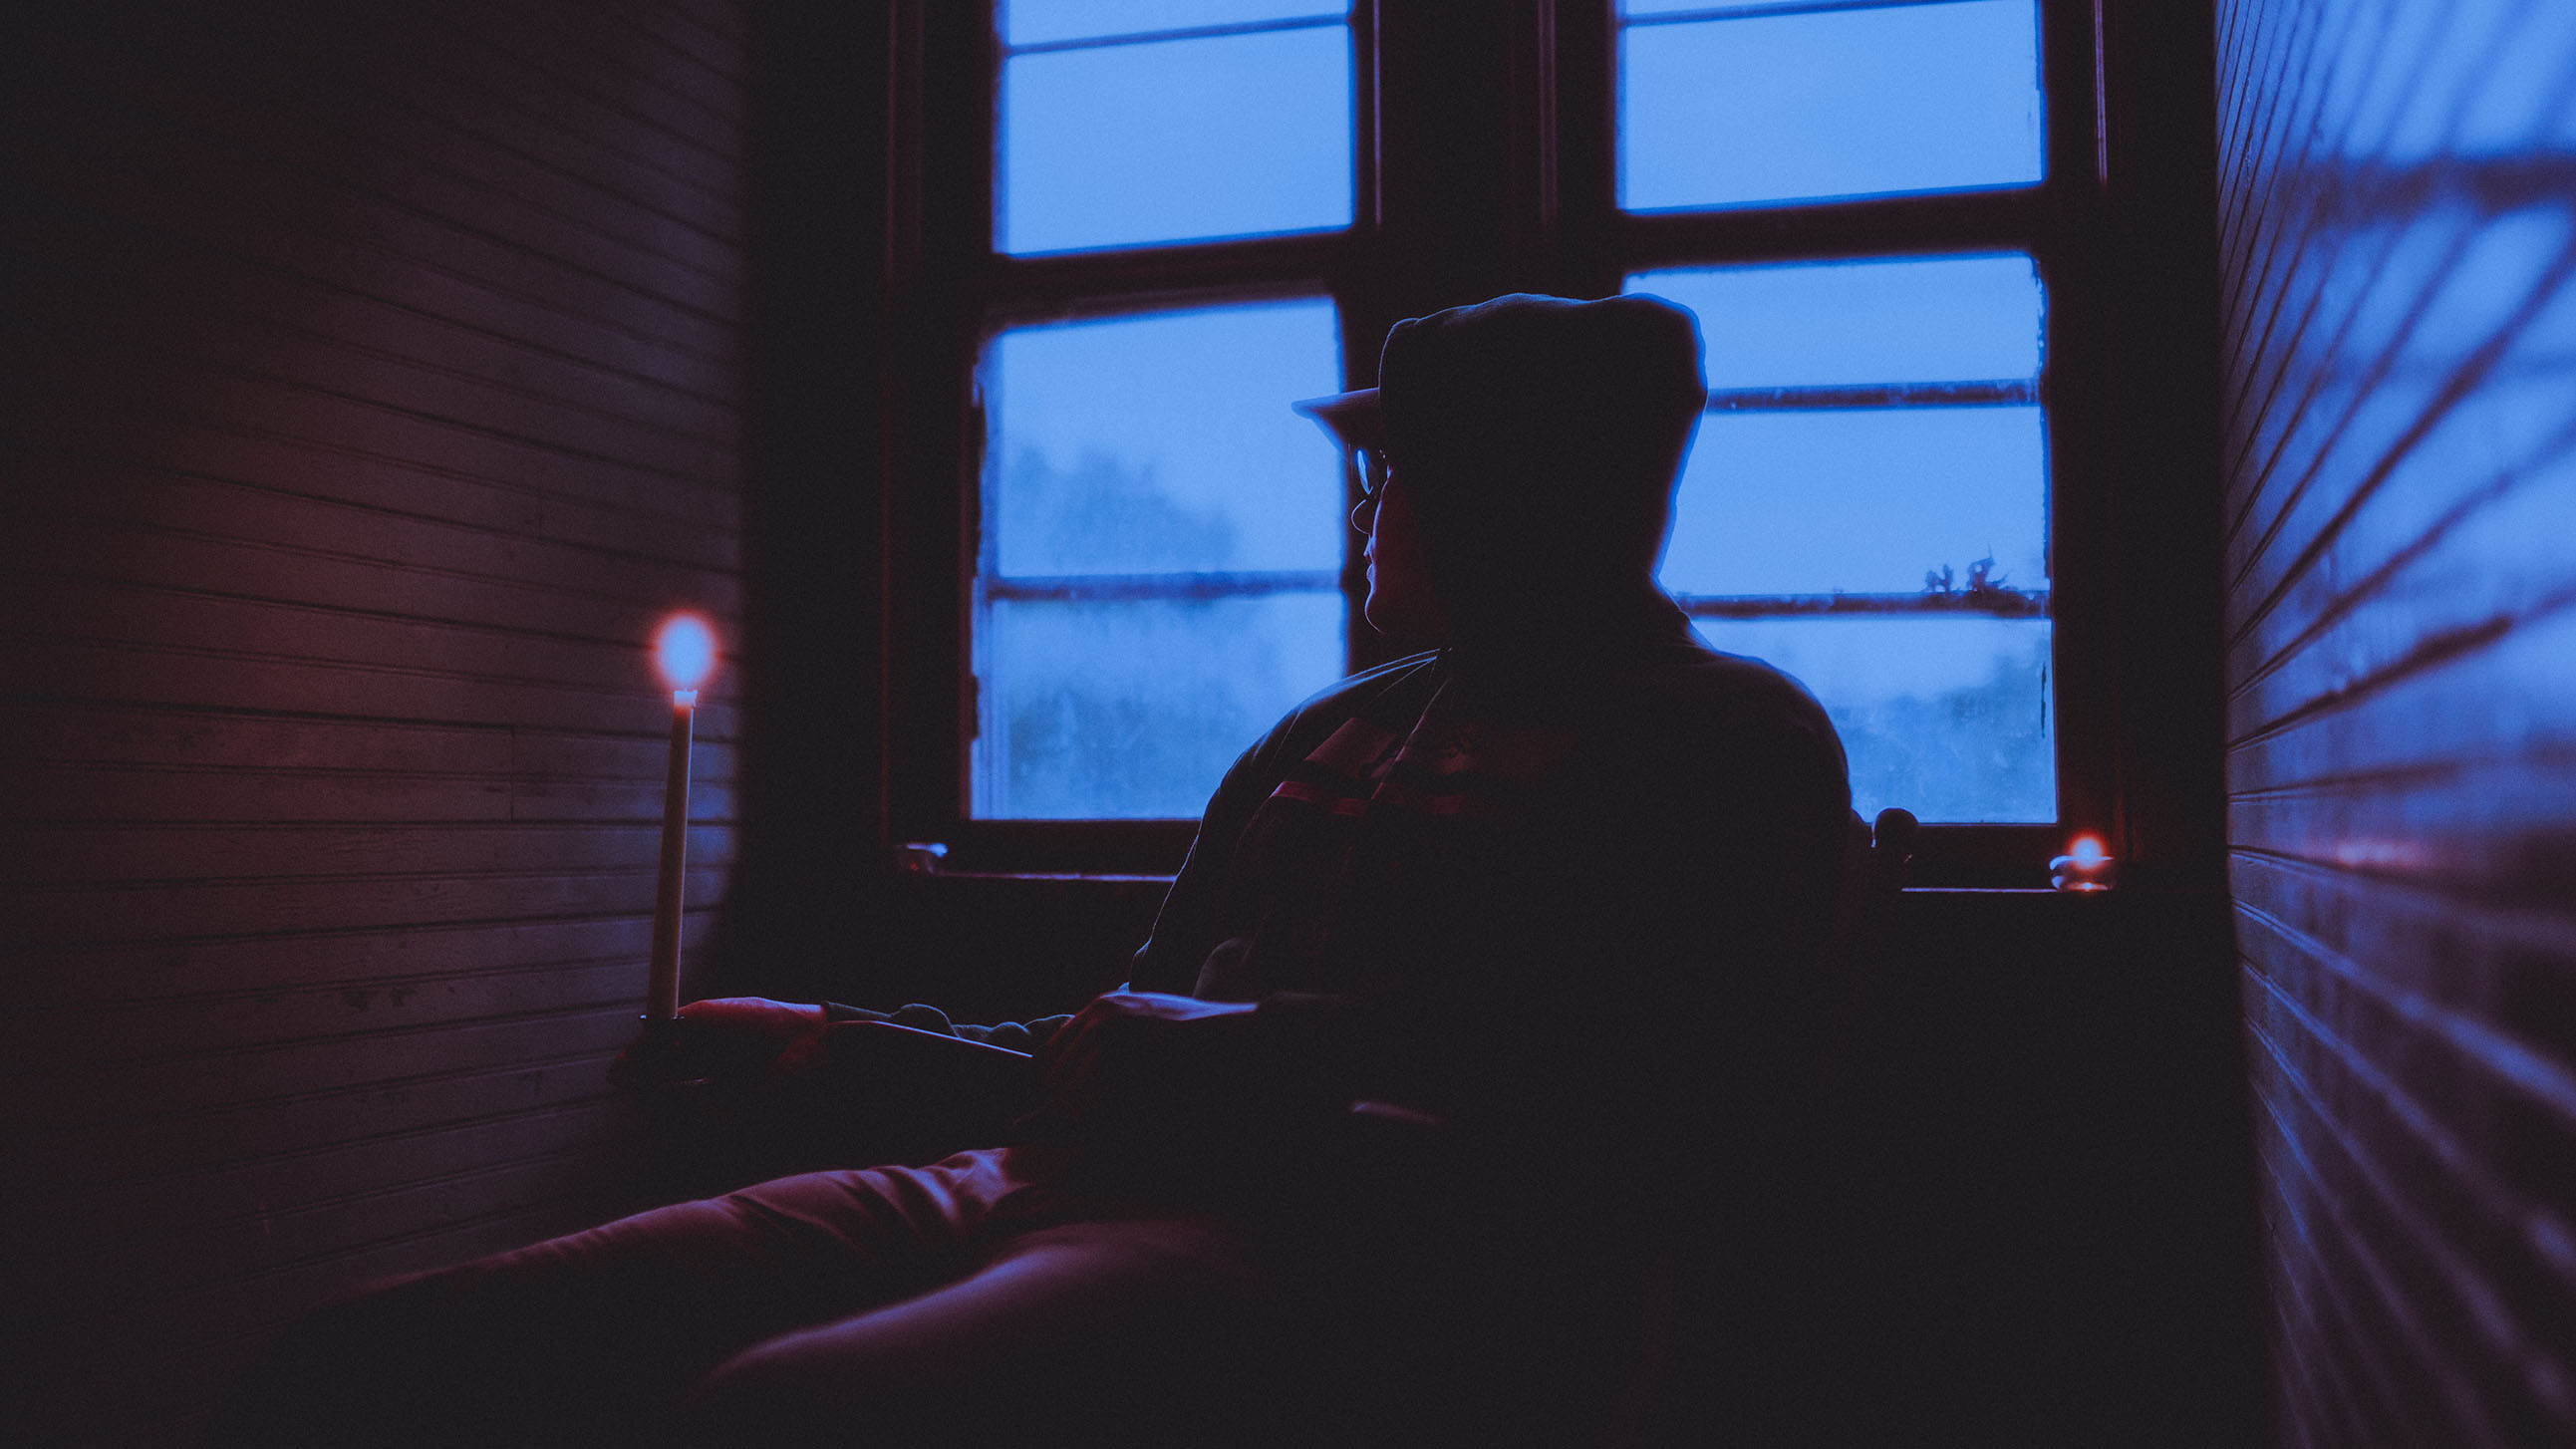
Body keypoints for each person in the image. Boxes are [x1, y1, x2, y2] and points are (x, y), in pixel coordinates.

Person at [206, 293, 1854, 1448]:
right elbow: (1112, 1037)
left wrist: (1279, 1061)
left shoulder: (1713, 744)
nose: (1369, 498)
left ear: (1521, 491)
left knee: (785, 1414)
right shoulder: (1324, 738)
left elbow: (1671, 1109)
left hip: (1309, 1245)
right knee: (372, 1355)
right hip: (1026, 1175)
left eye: (1400, 464)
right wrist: (840, 1043)